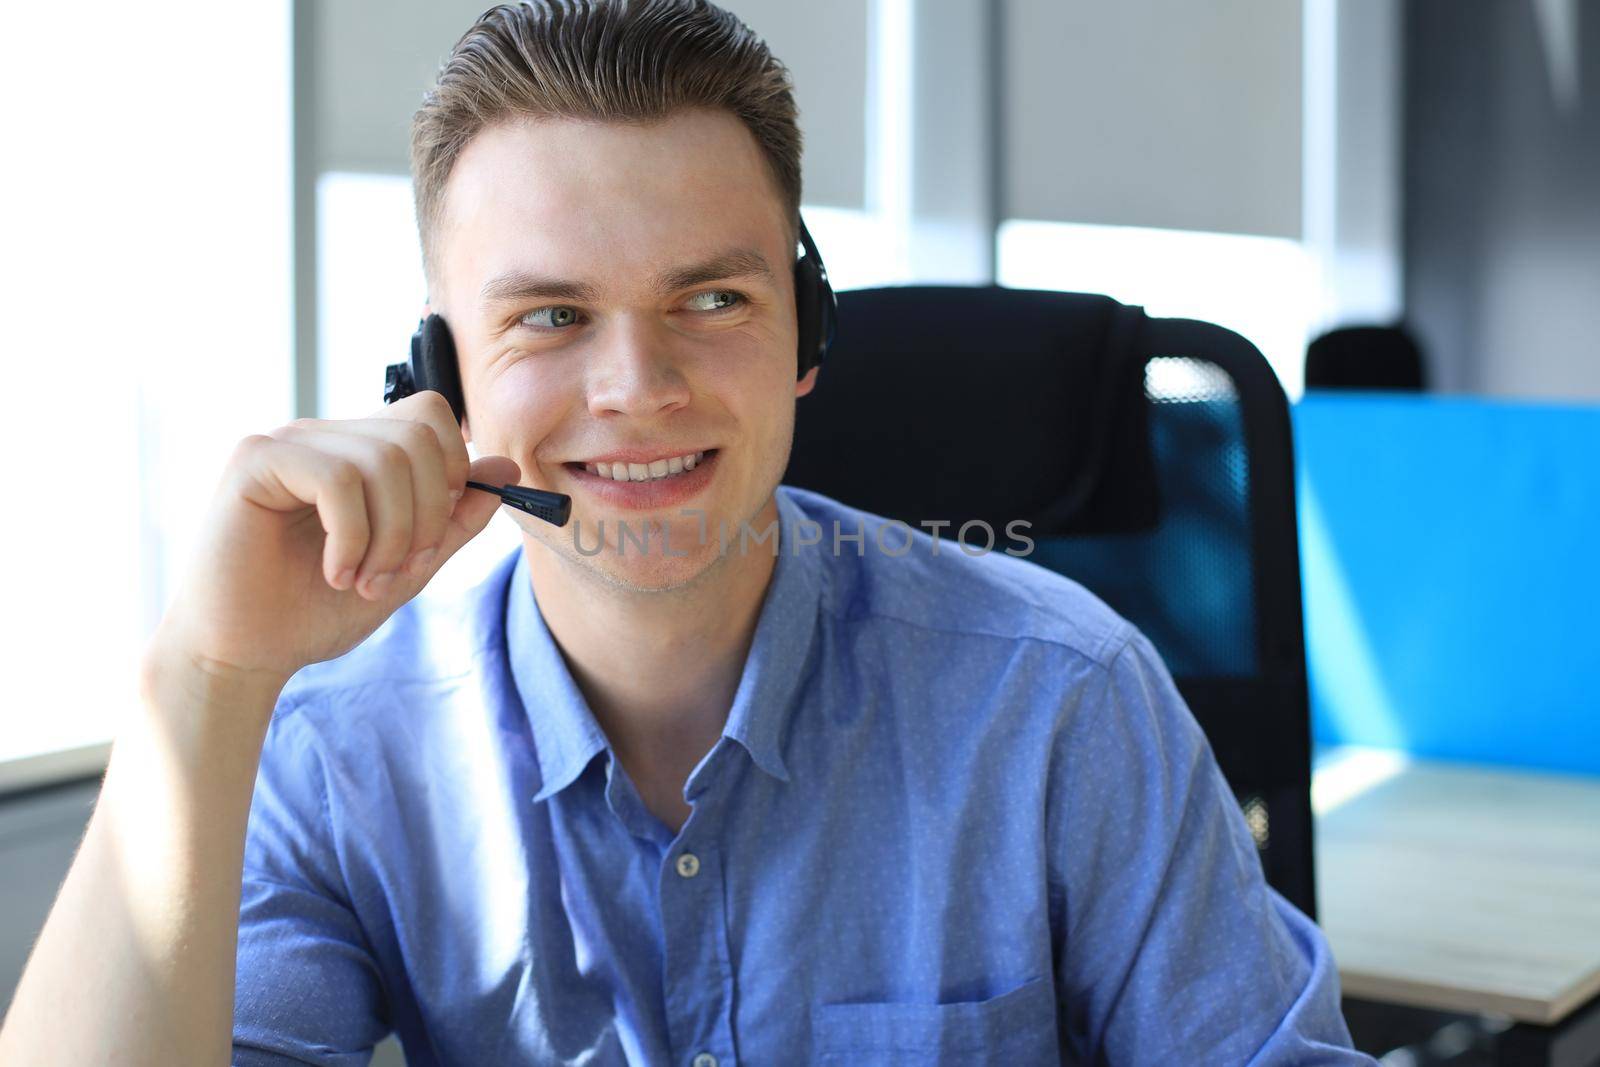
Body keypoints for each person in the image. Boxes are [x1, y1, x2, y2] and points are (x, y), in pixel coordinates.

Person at [0, 2, 1373, 1063]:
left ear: (806, 337)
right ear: (440, 375)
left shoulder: (1063, 700)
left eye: (710, 302)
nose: (635, 389)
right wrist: (205, 678)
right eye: (549, 316)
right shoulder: (342, 751)